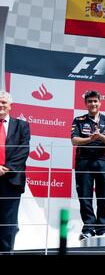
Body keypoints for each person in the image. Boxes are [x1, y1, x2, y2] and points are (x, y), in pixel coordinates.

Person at [71, 90, 105, 240]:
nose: (93, 104)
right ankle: (89, 228)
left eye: (95, 101)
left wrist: (100, 136)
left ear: (100, 102)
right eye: (90, 101)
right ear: (86, 104)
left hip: (103, 162)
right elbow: (74, 140)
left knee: (103, 196)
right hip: (83, 162)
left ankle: (103, 228)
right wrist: (91, 139)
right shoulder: (78, 120)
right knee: (85, 197)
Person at [0, 91, 30, 253]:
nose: (1, 105)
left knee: (8, 221)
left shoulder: (22, 126)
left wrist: (6, 169)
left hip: (11, 179)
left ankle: (5, 252)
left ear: (10, 106)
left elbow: (23, 151)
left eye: (4, 102)